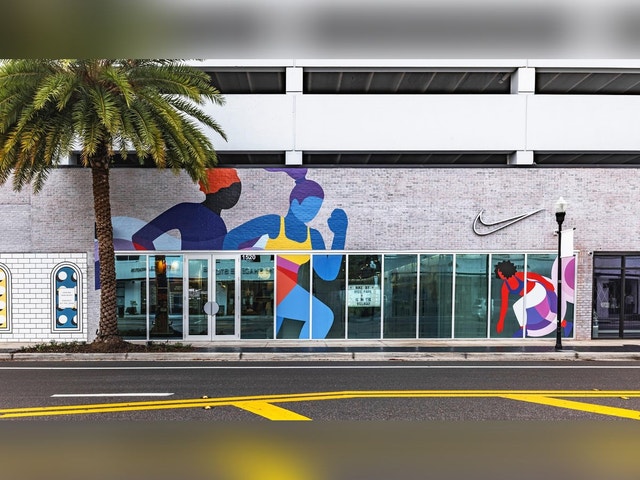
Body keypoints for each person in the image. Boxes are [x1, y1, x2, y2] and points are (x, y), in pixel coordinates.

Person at [223, 168, 348, 339]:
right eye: (308, 206)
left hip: (285, 285)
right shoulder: (275, 224)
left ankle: (274, 347)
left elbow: (328, 273)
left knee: (276, 331)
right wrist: (236, 269)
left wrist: (340, 235)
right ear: (294, 202)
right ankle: (306, 351)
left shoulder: (313, 236)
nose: (312, 213)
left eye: (316, 208)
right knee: (323, 315)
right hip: (272, 281)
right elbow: (232, 238)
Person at [132, 168, 241, 250]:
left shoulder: (218, 223)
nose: (235, 196)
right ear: (218, 191)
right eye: (233, 190)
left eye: (237, 191)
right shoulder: (186, 211)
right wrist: (158, 265)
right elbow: (141, 238)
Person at [495, 260, 560, 337]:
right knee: (546, 315)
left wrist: (547, 284)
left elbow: (535, 276)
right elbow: (504, 305)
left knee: (517, 306)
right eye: (498, 272)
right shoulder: (505, 287)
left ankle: (523, 329)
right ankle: (566, 324)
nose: (499, 274)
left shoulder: (518, 275)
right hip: (531, 297)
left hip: (537, 291)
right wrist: (501, 321)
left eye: (500, 271)